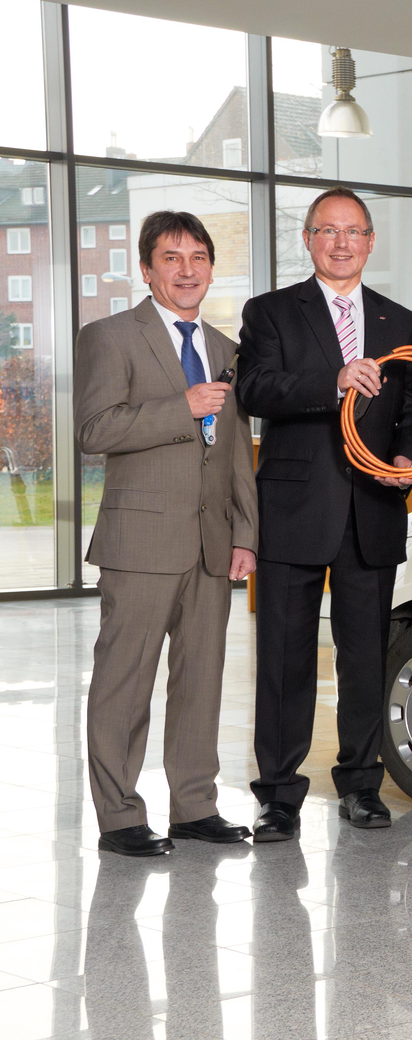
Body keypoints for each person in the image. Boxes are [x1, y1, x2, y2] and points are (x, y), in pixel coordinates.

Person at [236, 187, 412, 841]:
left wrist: (405, 456)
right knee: (284, 658)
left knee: (365, 657)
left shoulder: (400, 321)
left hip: (372, 509)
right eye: (328, 230)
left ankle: (361, 785)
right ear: (308, 239)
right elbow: (255, 389)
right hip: (294, 509)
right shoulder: (270, 312)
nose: (341, 242)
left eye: (353, 231)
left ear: (370, 242)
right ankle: (278, 795)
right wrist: (335, 382)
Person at [74, 210, 257, 856]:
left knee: (201, 681)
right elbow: (94, 430)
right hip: (140, 543)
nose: (186, 270)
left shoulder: (226, 349)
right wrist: (180, 408)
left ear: (211, 268)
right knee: (124, 682)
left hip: (211, 544)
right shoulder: (109, 337)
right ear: (147, 270)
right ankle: (120, 816)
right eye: (171, 258)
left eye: (198, 257)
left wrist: (245, 533)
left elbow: (236, 451)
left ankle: (195, 807)